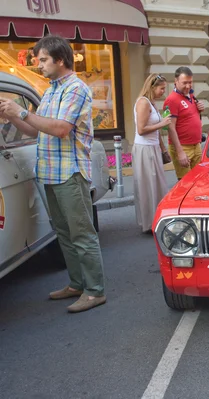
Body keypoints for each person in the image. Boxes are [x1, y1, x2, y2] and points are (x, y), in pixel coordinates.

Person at [0, 35, 106, 312]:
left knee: (81, 234)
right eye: (38, 59)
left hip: (69, 173)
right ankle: (76, 284)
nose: (38, 64)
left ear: (60, 59)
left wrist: (20, 113)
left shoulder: (75, 88)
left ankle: (95, 291)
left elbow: (60, 128)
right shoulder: (51, 90)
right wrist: (11, 116)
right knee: (63, 233)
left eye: (43, 59)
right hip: (50, 171)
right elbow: (36, 130)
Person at [132, 74, 172, 234]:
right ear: (152, 87)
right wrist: (162, 123)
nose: (163, 91)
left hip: (153, 148)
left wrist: (163, 149)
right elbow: (141, 130)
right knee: (147, 186)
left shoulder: (151, 103)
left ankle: (156, 220)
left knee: (156, 185)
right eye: (161, 88)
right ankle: (149, 223)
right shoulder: (143, 102)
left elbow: (155, 131)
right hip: (144, 149)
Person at [164, 67, 205, 180]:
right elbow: (169, 127)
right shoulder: (171, 100)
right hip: (182, 147)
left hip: (196, 145)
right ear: (176, 82)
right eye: (184, 83)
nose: (188, 86)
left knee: (197, 180)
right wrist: (180, 152)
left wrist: (199, 109)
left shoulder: (190, 96)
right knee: (186, 182)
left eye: (190, 82)